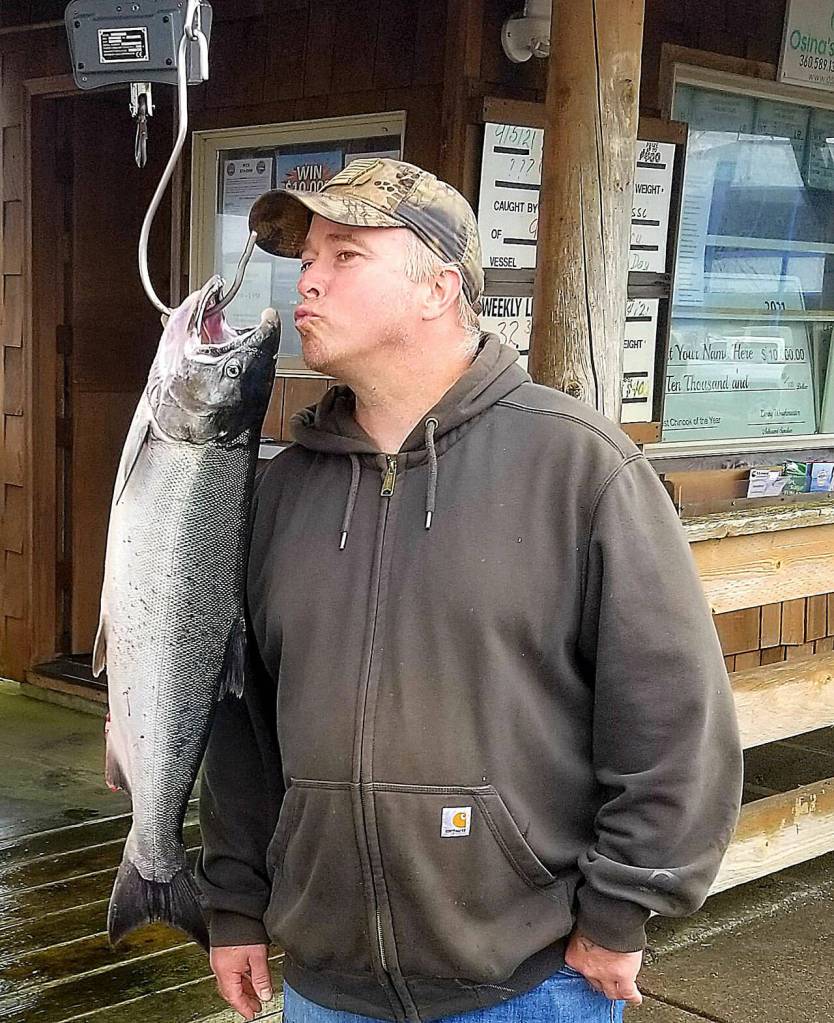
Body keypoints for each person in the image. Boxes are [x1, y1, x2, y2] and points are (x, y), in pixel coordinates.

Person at [196, 158, 743, 1023]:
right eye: (306, 260)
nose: (308, 279)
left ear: (437, 287)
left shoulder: (578, 466)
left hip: (531, 983)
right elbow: (242, 720)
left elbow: (674, 716)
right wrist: (233, 900)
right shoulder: (280, 490)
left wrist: (619, 911)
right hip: (325, 987)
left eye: (344, 255)